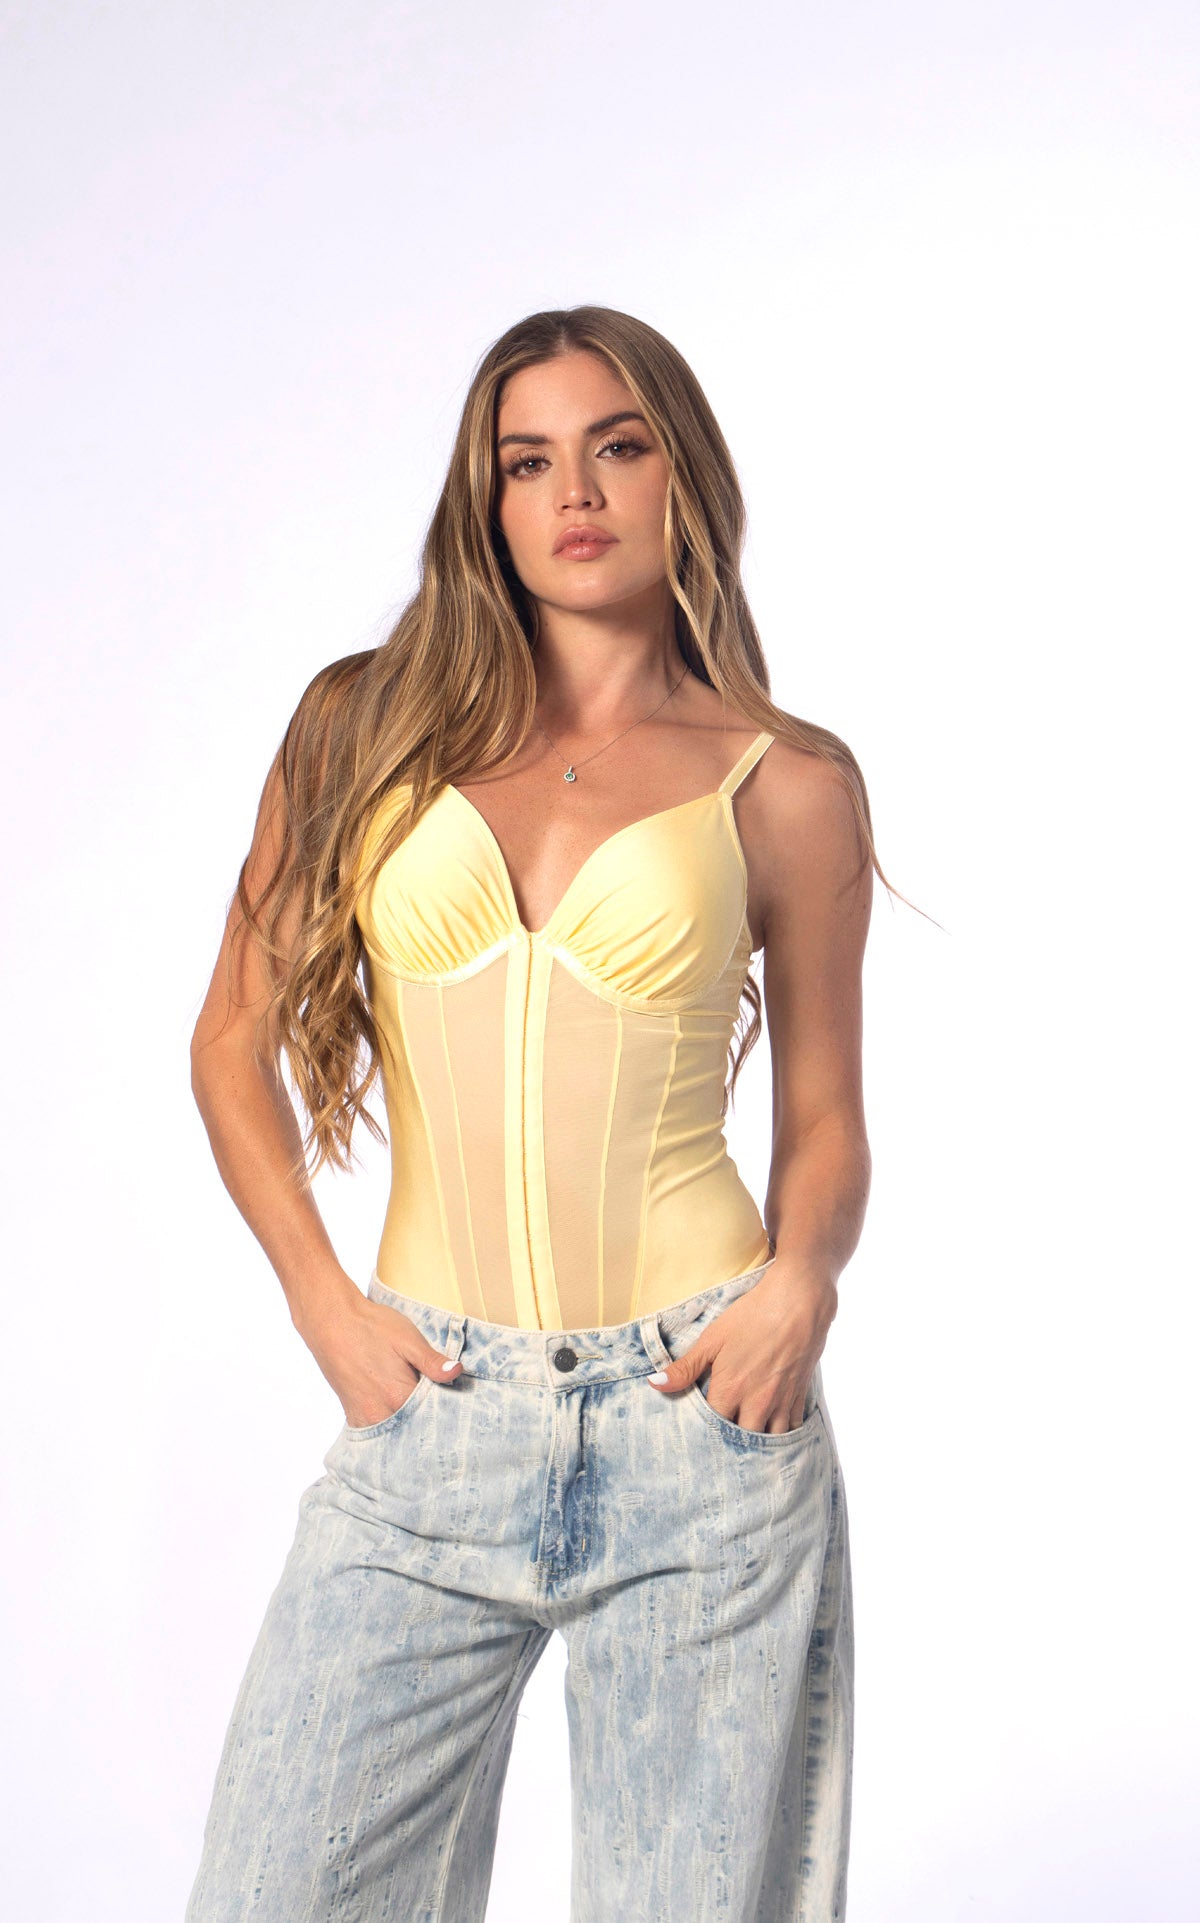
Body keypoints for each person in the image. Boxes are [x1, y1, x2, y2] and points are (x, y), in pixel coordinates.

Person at [184, 304, 888, 1922]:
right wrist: (318, 1298)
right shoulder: (360, 726)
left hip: (701, 1416)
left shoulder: (786, 780)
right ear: (485, 500)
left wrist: (802, 1283)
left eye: (617, 447)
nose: (575, 492)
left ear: (681, 476)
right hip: (430, 1417)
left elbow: (827, 1119)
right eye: (527, 461)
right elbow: (229, 1041)